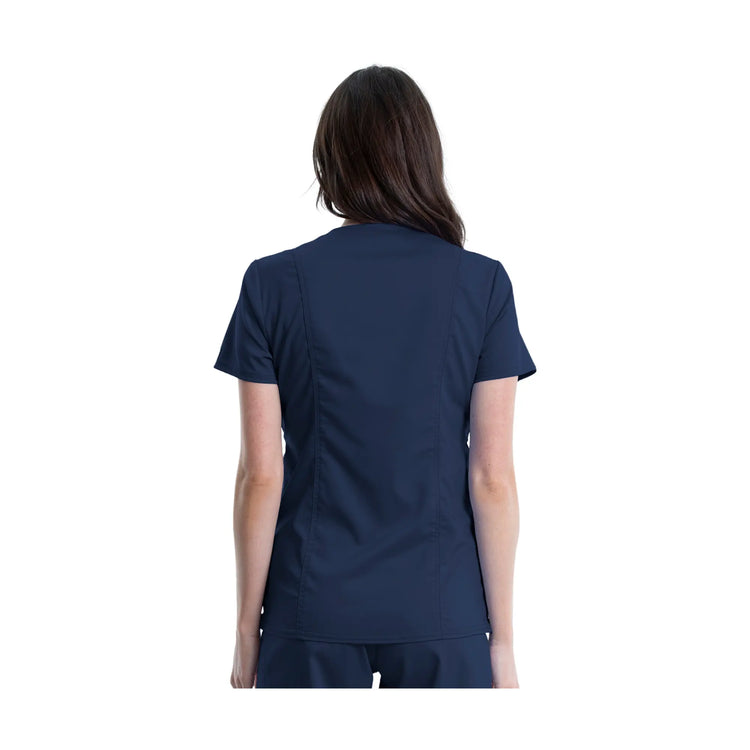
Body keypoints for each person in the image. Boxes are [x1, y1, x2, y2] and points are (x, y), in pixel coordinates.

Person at [213, 65, 537, 689]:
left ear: (331, 160)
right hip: (442, 609)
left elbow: (261, 474)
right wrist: (502, 640)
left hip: (309, 607)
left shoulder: (271, 283)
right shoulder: (482, 285)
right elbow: (492, 478)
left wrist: (247, 631)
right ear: (423, 157)